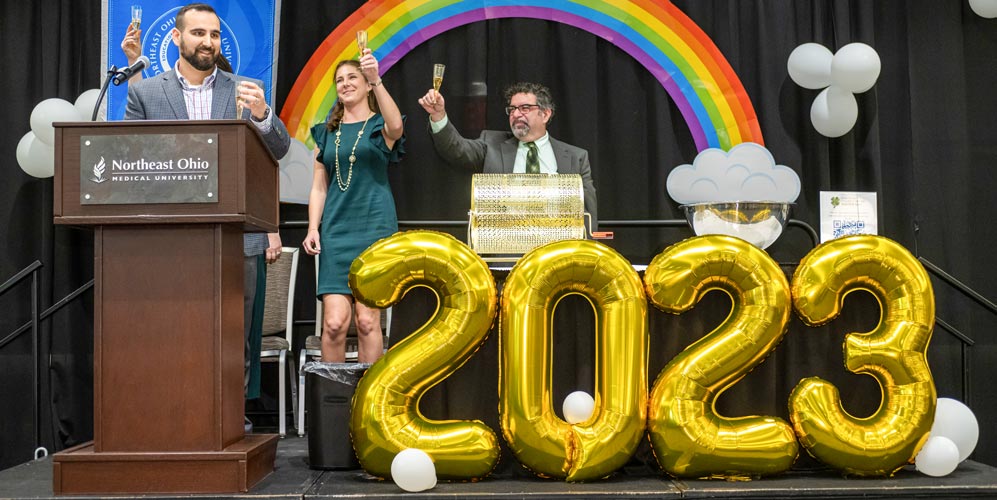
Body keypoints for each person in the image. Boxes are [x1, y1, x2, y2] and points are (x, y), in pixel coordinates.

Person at [123, 3, 290, 410]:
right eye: (198, 33)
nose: (208, 42)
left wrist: (263, 114)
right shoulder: (145, 92)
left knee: (235, 337)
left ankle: (231, 420)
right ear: (177, 37)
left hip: (237, 239)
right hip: (170, 240)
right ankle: (176, 415)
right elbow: (128, 158)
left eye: (214, 35)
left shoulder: (244, 87)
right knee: (175, 332)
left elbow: (280, 148)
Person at [301, 50, 405, 363]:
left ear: (366, 84)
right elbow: (319, 186)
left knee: (367, 320)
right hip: (336, 230)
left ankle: (365, 406)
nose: (345, 84)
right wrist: (312, 228)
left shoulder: (377, 126)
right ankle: (333, 405)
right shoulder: (326, 132)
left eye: (352, 78)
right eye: (339, 80)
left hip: (374, 229)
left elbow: (396, 126)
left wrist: (378, 81)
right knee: (333, 325)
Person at [417, 82, 597, 225]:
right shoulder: (491, 144)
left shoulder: (576, 157)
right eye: (512, 109)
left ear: (545, 114)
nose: (516, 114)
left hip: (556, 251)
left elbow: (588, 214)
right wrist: (438, 116)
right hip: (505, 250)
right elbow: (456, 149)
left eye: (525, 108)